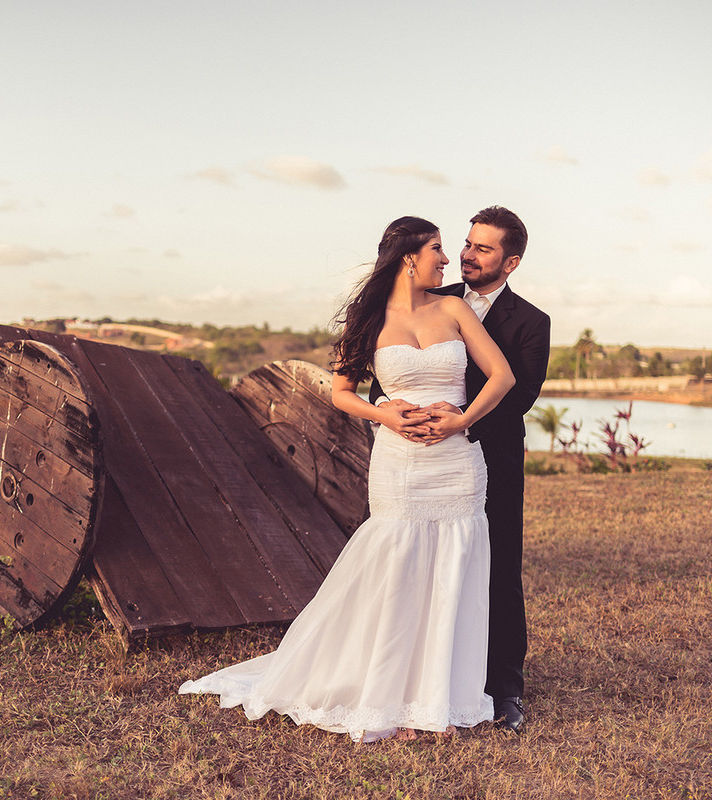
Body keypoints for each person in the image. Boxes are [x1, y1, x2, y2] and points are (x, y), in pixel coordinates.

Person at [179, 216, 514, 742]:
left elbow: (503, 376)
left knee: (452, 572)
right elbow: (341, 391)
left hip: (455, 463)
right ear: (409, 256)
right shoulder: (367, 320)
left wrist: (461, 419)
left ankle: (435, 700)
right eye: (437, 249)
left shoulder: (454, 309)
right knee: (398, 570)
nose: (446, 260)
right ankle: (388, 697)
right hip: (400, 464)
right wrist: (385, 413)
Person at [372, 206, 551, 734]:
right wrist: (405, 413)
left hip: (487, 455)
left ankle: (504, 686)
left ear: (511, 262)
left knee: (497, 567)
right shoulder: (430, 298)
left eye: (483, 248)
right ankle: (418, 676)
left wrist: (458, 420)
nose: (467, 255)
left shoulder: (531, 322)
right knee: (411, 563)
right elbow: (386, 371)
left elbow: (519, 394)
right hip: (414, 455)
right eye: (467, 244)